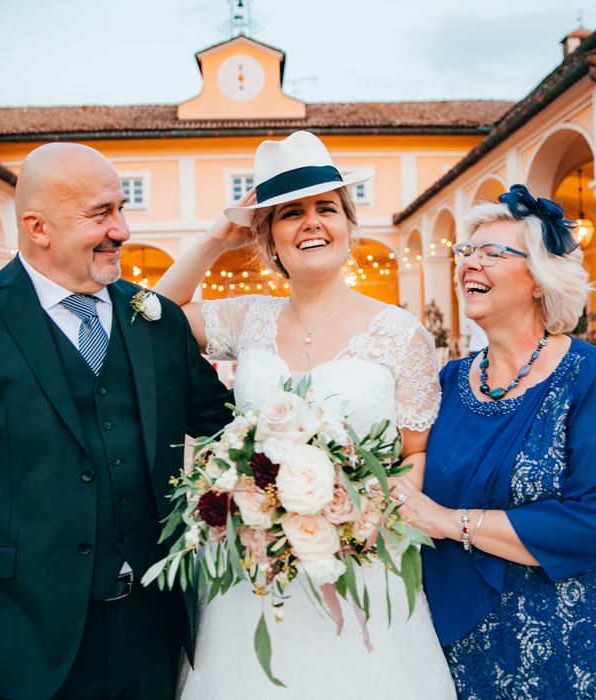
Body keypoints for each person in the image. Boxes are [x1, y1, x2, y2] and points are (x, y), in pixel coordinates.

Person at [154, 130, 456, 698]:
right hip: (255, 574)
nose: (312, 222)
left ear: (348, 225)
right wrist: (221, 234)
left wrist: (362, 520)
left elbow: (415, 455)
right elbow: (153, 315)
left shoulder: (400, 332)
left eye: (327, 209)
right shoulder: (249, 318)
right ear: (268, 238)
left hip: (363, 564)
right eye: (291, 214)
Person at [391, 185, 596, 699]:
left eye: (492, 253)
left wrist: (450, 522)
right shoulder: (446, 382)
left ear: (539, 279)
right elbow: (404, 472)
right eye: (465, 252)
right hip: (461, 645)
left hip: (571, 644)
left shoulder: (593, 374)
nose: (469, 263)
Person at [0, 142, 233, 700]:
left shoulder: (154, 318)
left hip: (154, 628)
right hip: (26, 636)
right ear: (38, 227)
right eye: (101, 214)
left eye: (122, 208)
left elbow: (225, 425)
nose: (123, 230)